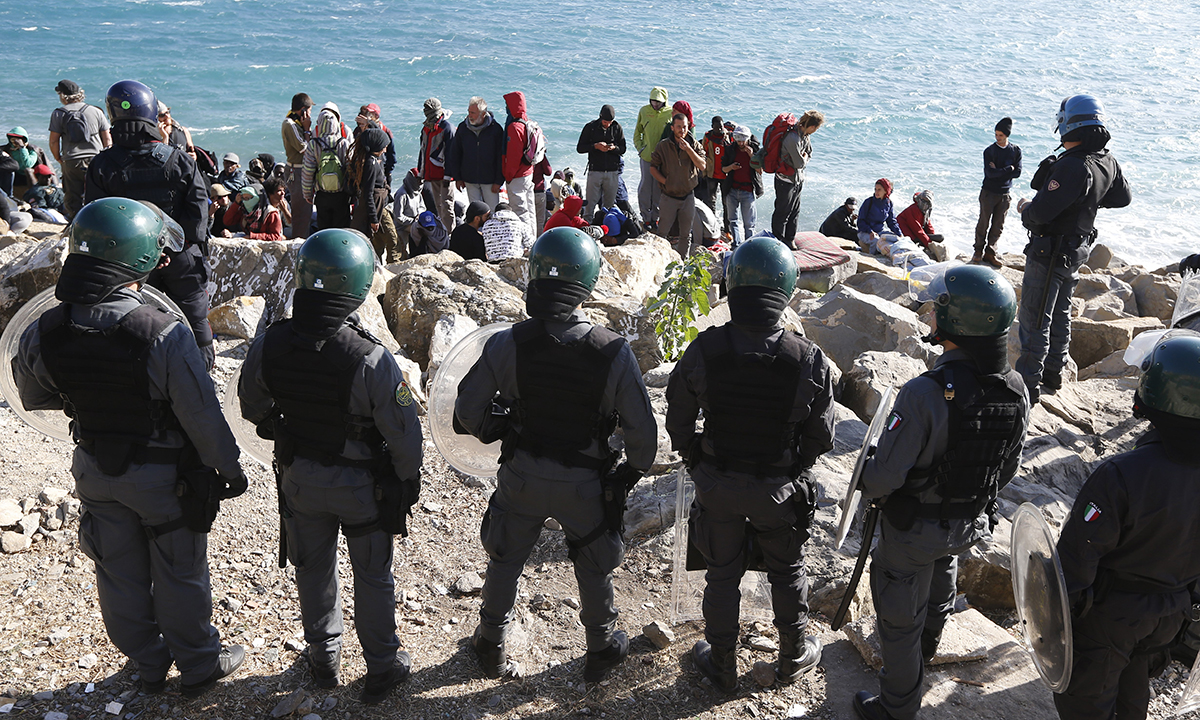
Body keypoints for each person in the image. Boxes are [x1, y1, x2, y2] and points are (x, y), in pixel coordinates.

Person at [13, 198, 247, 697]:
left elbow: (32, 395)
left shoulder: (46, 328)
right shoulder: (162, 331)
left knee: (117, 572)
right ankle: (199, 666)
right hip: (163, 478)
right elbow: (201, 415)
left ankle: (147, 663)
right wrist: (229, 468)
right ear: (140, 258)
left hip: (94, 468)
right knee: (179, 571)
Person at [454, 226, 657, 682]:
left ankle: (490, 643)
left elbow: (466, 411)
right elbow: (643, 434)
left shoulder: (506, 343)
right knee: (594, 562)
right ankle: (601, 647)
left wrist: (499, 427)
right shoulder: (614, 351)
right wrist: (629, 473)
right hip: (586, 483)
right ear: (587, 283)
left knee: (505, 558)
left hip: (522, 473)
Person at [238, 228, 421, 704]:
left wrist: (285, 428)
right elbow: (404, 434)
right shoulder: (371, 357)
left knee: (313, 568)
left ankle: (324, 657)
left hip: (300, 478)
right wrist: (407, 478)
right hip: (362, 487)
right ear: (357, 287)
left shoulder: (270, 342)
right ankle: (381, 666)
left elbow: (251, 406)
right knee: (373, 575)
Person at [852, 264, 1029, 720]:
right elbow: (1007, 467)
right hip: (967, 524)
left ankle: (897, 706)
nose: (930, 315)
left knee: (898, 614)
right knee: (941, 575)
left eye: (937, 309)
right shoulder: (1016, 390)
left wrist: (866, 472)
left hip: (912, 531)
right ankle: (926, 652)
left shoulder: (924, 393)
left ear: (957, 322)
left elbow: (883, 478)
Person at [666, 236, 834, 692]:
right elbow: (822, 437)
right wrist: (792, 467)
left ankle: (721, 663)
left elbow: (677, 419)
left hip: (717, 483)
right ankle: (793, 655)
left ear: (733, 285)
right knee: (787, 569)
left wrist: (698, 458)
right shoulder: (808, 358)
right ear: (786, 291)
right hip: (777, 489)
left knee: (721, 574)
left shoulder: (704, 349)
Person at [1052, 332, 1200, 720]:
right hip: (1172, 614)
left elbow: (1075, 561)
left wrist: (1057, 624)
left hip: (1113, 616)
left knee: (1086, 703)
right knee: (1132, 690)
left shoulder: (1122, 474)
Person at [85, 80, 214, 370]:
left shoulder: (102, 165)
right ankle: (202, 373)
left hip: (129, 262)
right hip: (180, 255)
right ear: (151, 113)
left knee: (135, 321)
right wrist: (172, 248)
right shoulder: (179, 159)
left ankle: (143, 376)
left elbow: (96, 218)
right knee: (194, 314)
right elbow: (198, 212)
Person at [1014, 95, 1131, 404]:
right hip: (1076, 251)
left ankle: (1026, 389)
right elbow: (1122, 197)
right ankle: (1054, 374)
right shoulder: (1106, 161)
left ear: (1068, 125)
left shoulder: (1072, 165)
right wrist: (1089, 199)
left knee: (1035, 320)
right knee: (1061, 314)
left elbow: (1039, 214)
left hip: (1049, 253)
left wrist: (1025, 208)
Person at [48, 79, 111, 220]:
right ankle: (98, 221)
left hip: (72, 160)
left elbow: (53, 141)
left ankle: (75, 222)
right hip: (96, 158)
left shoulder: (59, 113)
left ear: (63, 96)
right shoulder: (96, 111)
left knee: (72, 196)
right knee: (97, 192)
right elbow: (107, 138)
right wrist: (106, 157)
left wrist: (58, 158)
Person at [649, 113, 706, 255]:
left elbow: (702, 165)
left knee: (686, 235)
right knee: (662, 233)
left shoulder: (694, 144)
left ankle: (682, 262)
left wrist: (689, 149)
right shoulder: (663, 145)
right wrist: (666, 182)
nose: (682, 130)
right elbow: (653, 167)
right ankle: (659, 260)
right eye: (679, 127)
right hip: (668, 196)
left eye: (684, 127)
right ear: (672, 128)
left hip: (688, 196)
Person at [973, 117, 1021, 267]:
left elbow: (1018, 173)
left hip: (1005, 194)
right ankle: (978, 251)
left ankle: (990, 253)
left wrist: (999, 171)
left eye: (1000, 135)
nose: (997, 138)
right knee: (983, 223)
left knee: (998, 225)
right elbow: (990, 174)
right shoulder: (989, 151)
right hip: (988, 192)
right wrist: (1008, 169)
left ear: (1007, 135)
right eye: (996, 134)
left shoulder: (1015, 151)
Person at [772, 111, 824, 247]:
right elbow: (799, 163)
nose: (815, 131)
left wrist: (804, 157)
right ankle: (777, 242)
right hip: (785, 180)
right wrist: (804, 157)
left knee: (795, 211)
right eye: (816, 128)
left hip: (797, 179)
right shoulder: (792, 138)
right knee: (782, 212)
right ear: (812, 126)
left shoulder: (805, 136)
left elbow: (809, 152)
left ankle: (790, 239)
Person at [447, 96, 505, 210]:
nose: (469, 115)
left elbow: (501, 157)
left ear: (483, 114)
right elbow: (455, 153)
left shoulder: (496, 129)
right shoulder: (463, 128)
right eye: (469, 112)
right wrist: (458, 177)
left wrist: (499, 181)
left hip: (490, 180)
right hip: (470, 179)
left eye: (473, 113)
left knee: (492, 211)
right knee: (476, 212)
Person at [349, 127, 397, 262]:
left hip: (380, 205)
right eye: (384, 147)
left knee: (382, 239)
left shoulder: (374, 159)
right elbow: (368, 193)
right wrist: (374, 219)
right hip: (375, 207)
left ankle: (379, 263)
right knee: (391, 237)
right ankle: (388, 263)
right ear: (376, 146)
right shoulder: (370, 163)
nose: (385, 150)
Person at [302, 105, 352, 230]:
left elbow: (308, 171)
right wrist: (353, 193)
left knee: (324, 228)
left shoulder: (313, 144)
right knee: (342, 229)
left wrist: (307, 193)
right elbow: (351, 170)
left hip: (322, 194)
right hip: (341, 194)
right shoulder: (344, 143)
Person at [577, 104, 626, 219]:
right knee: (590, 204)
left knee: (609, 206)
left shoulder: (617, 127)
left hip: (612, 171)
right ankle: (587, 223)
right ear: (600, 117)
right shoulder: (591, 127)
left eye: (610, 122)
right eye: (605, 122)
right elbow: (580, 148)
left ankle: (606, 226)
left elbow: (623, 148)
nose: (607, 124)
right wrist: (595, 146)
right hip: (595, 170)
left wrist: (614, 148)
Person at [633, 87, 673, 229]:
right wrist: (640, 149)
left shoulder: (670, 112)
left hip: (662, 159)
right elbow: (637, 132)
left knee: (658, 188)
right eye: (653, 101)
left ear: (664, 101)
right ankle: (645, 218)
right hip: (647, 156)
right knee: (645, 187)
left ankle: (655, 219)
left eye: (658, 102)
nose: (655, 104)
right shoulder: (644, 111)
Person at [502, 91, 539, 238]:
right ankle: (533, 238)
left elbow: (513, 156)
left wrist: (508, 175)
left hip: (517, 176)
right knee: (530, 209)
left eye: (507, 105)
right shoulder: (527, 122)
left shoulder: (514, 126)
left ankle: (526, 243)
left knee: (519, 211)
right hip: (528, 172)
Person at [418, 97, 456, 233]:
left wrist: (448, 176)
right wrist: (421, 172)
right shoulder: (426, 128)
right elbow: (422, 150)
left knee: (447, 205)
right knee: (438, 205)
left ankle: (450, 233)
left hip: (444, 174)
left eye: (428, 109)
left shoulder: (447, 128)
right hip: (431, 173)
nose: (425, 111)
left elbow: (452, 154)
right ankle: (442, 231)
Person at [722, 125, 762, 246]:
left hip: (747, 190)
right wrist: (731, 167)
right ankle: (736, 245)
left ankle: (749, 246)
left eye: (743, 140)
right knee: (732, 220)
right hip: (732, 189)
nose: (740, 143)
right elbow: (723, 169)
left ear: (748, 139)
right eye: (738, 140)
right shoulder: (730, 149)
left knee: (749, 223)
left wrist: (751, 156)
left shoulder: (755, 149)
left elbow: (760, 170)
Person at [282, 93, 314, 239]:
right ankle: (299, 243)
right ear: (303, 110)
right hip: (297, 170)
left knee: (306, 211)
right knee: (301, 212)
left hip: (302, 169)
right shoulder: (290, 125)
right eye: (309, 111)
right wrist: (307, 129)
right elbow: (305, 149)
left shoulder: (297, 123)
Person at [856, 178, 903, 254]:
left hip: (879, 231)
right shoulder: (869, 202)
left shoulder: (888, 203)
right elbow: (860, 222)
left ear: (886, 191)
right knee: (876, 240)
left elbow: (891, 221)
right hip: (865, 232)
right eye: (875, 189)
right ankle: (871, 256)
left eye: (879, 190)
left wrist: (899, 234)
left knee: (896, 238)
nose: (876, 192)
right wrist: (870, 231)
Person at [354, 103, 396, 185]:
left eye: (371, 114)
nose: (368, 116)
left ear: (377, 116)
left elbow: (391, 155)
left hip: (381, 170)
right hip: (364, 169)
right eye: (367, 113)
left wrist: (388, 172)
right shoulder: (359, 130)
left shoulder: (385, 131)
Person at [2, 128, 51, 198]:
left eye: (18, 139)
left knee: (28, 170)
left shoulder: (32, 150)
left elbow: (27, 164)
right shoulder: (6, 149)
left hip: (29, 176)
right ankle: (8, 196)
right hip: (15, 176)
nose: (15, 141)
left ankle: (35, 195)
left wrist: (22, 148)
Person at [896, 190, 945, 260]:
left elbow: (928, 225)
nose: (924, 203)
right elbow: (917, 230)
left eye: (927, 201)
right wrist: (929, 244)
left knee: (940, 237)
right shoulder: (914, 209)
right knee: (934, 239)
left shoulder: (926, 210)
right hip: (907, 233)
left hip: (914, 232)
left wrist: (933, 242)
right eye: (923, 200)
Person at [702, 116, 730, 235]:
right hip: (712, 173)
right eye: (716, 127)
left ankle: (727, 229)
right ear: (712, 126)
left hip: (725, 175)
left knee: (726, 203)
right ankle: (712, 227)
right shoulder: (708, 137)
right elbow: (703, 153)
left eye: (721, 127)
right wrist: (704, 172)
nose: (719, 130)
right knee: (711, 202)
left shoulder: (728, 136)